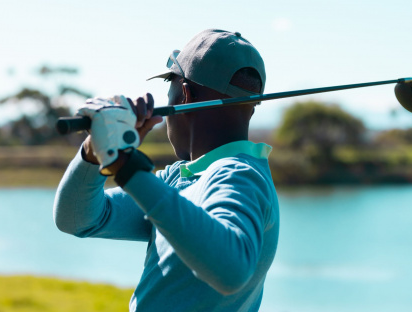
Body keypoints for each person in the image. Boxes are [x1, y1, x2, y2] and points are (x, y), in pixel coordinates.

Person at [53, 29, 279, 312]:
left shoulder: (238, 176)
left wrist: (124, 164)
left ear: (184, 94)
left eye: (169, 87)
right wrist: (94, 151)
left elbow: (231, 271)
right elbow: (77, 219)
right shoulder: (180, 178)